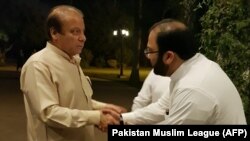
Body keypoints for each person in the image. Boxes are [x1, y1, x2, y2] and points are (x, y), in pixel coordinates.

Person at [20, 5, 126, 141]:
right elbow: (49, 113)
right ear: (54, 33)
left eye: (83, 32)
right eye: (75, 32)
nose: (83, 38)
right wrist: (96, 117)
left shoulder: (73, 60)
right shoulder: (38, 65)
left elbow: (75, 101)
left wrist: (104, 108)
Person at [121, 18, 246, 124]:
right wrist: (122, 119)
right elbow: (162, 108)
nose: (147, 56)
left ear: (168, 57)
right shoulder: (193, 68)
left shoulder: (192, 88)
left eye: (149, 51)